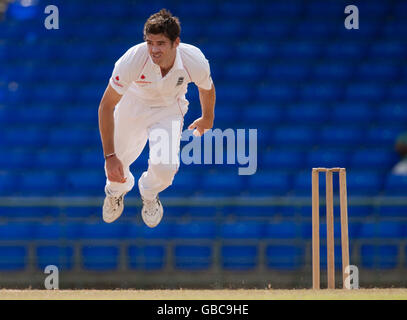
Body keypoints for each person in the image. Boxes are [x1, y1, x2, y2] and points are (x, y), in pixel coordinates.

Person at [98, 9, 216, 227]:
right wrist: (109, 155)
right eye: (150, 42)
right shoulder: (132, 59)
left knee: (166, 166)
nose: (154, 49)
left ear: (176, 42)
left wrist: (207, 118)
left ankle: (149, 194)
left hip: (168, 108)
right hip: (133, 104)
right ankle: (116, 192)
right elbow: (106, 105)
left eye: (161, 43)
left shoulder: (194, 60)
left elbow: (207, 89)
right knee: (117, 163)